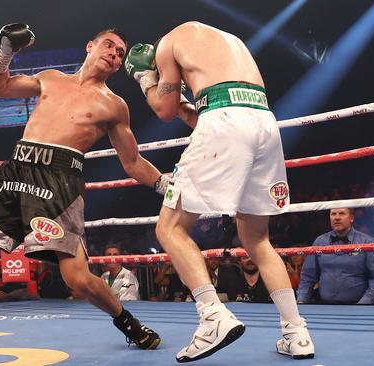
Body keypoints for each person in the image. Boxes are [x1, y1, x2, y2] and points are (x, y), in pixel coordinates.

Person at [0, 23, 163, 363]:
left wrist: (165, 184)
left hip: (60, 184)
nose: (114, 54)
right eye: (109, 46)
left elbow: (133, 162)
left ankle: (127, 322)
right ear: (90, 46)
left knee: (78, 279)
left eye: (120, 53)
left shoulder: (114, 105)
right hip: (17, 171)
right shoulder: (50, 78)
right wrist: (5, 50)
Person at [124, 21, 314, 361]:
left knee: (169, 228)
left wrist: (145, 79)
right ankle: (297, 333)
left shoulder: (169, 43)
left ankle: (213, 316)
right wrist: (185, 103)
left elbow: (164, 110)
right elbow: (206, 114)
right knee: (257, 240)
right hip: (263, 122)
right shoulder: (228, 41)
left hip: (225, 121)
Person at [297, 208, 374, 304]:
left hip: (358, 306)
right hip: (325, 306)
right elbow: (307, 276)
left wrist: (363, 305)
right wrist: (301, 301)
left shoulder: (366, 242)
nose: (337, 218)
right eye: (333, 214)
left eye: (342, 213)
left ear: (351, 218)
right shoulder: (320, 241)